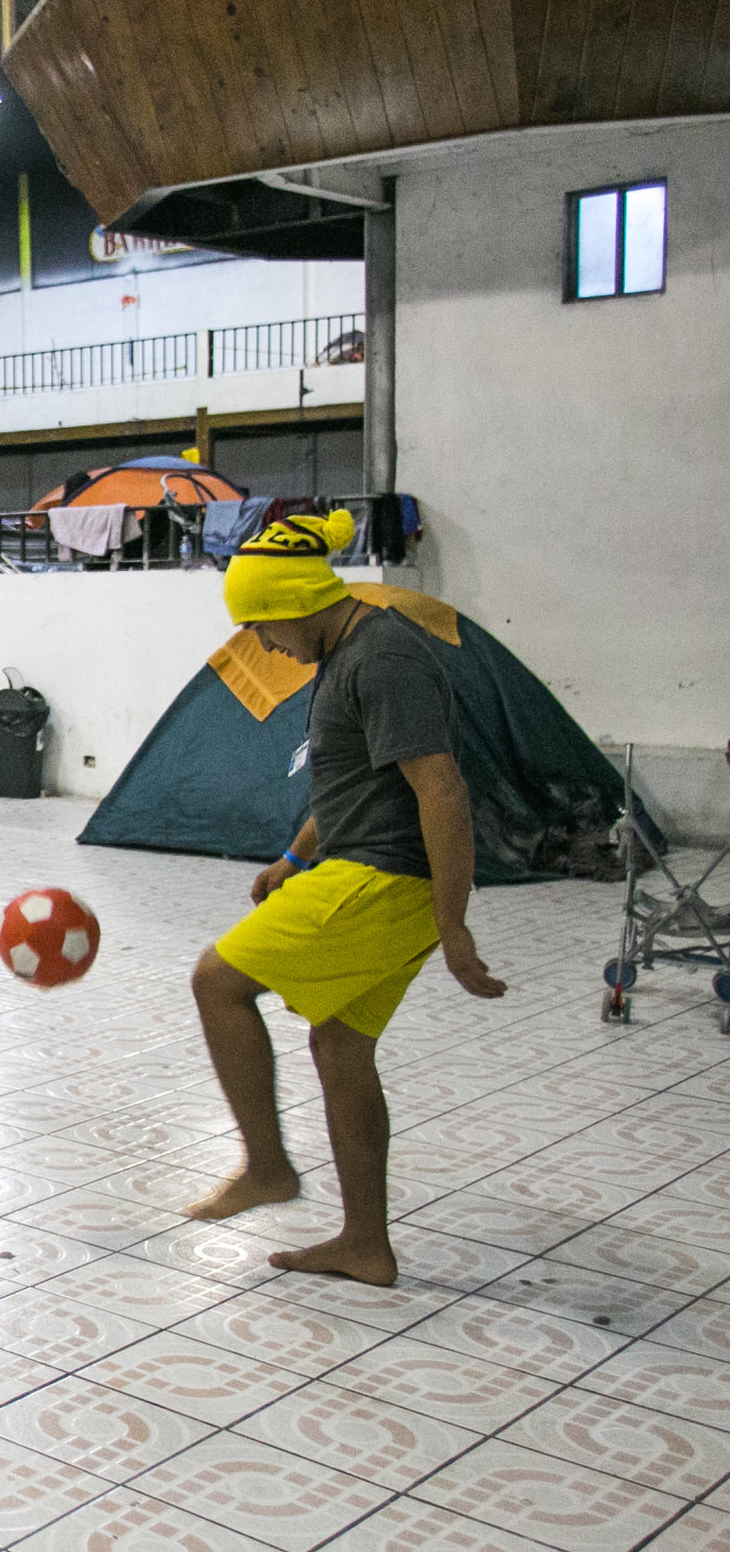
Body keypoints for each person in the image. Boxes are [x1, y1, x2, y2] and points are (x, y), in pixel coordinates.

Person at [183, 512, 503, 1286]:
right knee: (341, 1045)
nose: (262, 644)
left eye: (261, 625)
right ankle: (366, 1245)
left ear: (295, 602)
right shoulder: (353, 648)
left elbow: (441, 786)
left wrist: (451, 924)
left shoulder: (384, 657)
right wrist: (296, 854)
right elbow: (360, 773)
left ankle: (267, 1168)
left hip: (383, 877)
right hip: (369, 868)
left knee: (217, 981)